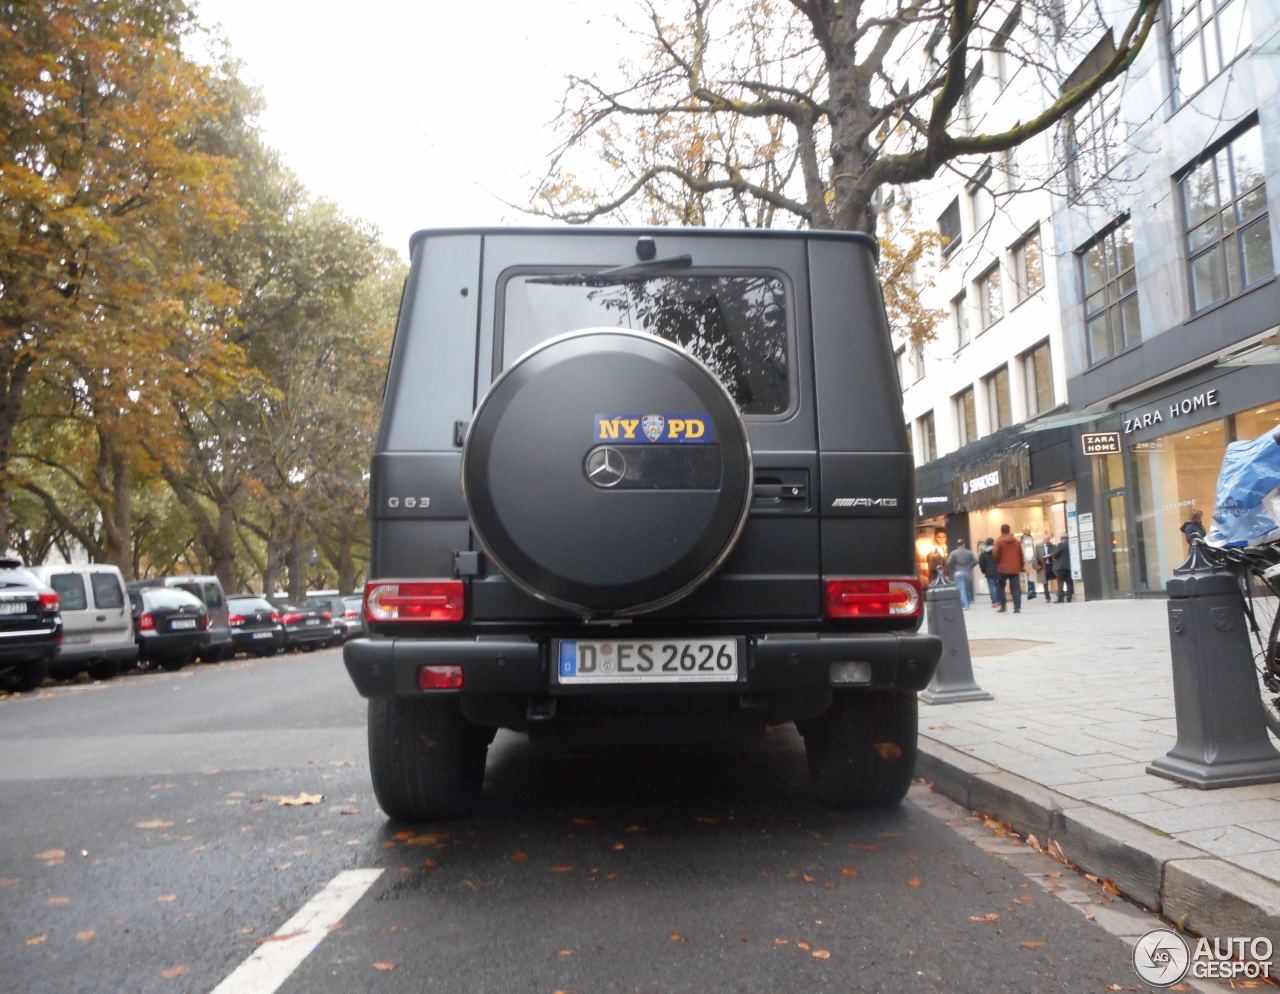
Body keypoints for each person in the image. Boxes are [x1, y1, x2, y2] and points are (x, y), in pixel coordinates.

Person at [994, 523, 1025, 613]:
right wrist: (1021, 566)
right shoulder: (1017, 542)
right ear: (1009, 530)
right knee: (1015, 588)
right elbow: (1021, 556)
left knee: (1001, 587)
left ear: (1001, 530)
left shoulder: (999, 541)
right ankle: (1017, 607)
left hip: (1002, 568)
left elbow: (995, 554)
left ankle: (1003, 606)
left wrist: (998, 562)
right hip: (1015, 568)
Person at [946, 538, 978, 609]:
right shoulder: (969, 552)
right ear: (964, 544)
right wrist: (970, 567)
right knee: (967, 588)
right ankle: (968, 602)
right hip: (967, 572)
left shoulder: (953, 552)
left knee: (961, 588)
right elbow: (976, 561)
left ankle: (964, 604)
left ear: (957, 545)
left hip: (958, 572)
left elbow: (948, 562)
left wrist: (953, 567)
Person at [978, 538, 1000, 608]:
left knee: (991, 587)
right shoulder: (997, 551)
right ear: (993, 542)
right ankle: (999, 601)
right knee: (998, 586)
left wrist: (984, 570)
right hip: (998, 571)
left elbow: (981, 563)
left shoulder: (983, 553)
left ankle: (994, 602)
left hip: (989, 572)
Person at [1053, 535, 1074, 602]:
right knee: (1069, 582)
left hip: (1061, 566)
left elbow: (1055, 554)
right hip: (1069, 566)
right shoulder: (1071, 544)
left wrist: (1052, 556)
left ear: (1062, 539)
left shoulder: (1061, 545)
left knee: (1060, 582)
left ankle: (1060, 598)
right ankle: (1069, 597)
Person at [1037, 534, 1056, 605]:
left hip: (1052, 565)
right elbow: (1036, 557)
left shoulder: (1053, 546)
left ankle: (1060, 592)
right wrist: (1037, 567)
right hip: (1044, 566)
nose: (1046, 541)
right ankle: (1047, 597)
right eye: (1045, 539)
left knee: (1058, 578)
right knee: (1045, 582)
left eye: (1048, 539)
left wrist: (1050, 555)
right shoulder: (1038, 547)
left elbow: (1056, 554)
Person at [1021, 529, 1037, 600]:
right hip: (1031, 558)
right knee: (1030, 575)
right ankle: (1032, 591)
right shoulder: (1031, 539)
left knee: (1028, 575)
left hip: (1027, 559)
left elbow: (1023, 550)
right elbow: (1033, 549)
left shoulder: (1024, 540)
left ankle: (1031, 591)